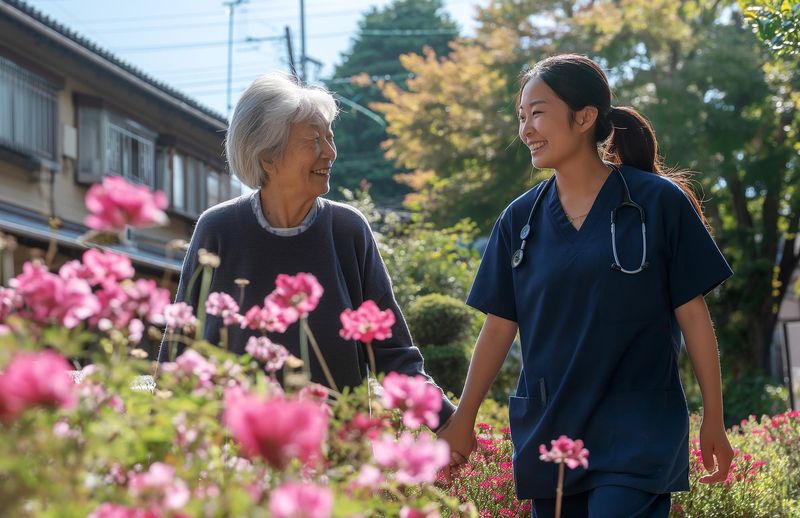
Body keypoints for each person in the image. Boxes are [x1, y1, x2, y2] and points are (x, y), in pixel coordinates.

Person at [438, 54, 734, 517]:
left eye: (537, 112)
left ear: (584, 117)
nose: (526, 130)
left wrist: (713, 419)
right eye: (521, 117)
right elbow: (498, 328)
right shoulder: (519, 220)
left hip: (637, 431)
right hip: (552, 435)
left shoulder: (656, 202)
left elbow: (693, 316)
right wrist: (463, 418)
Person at [158, 71, 455, 430]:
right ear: (268, 157)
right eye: (314, 140)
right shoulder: (218, 229)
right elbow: (179, 349)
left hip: (334, 454)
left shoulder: (347, 231)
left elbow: (390, 351)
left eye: (330, 138)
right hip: (234, 458)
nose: (329, 153)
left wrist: (446, 421)